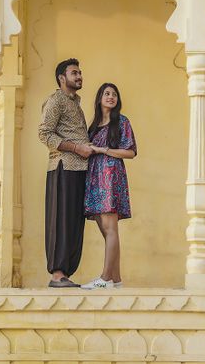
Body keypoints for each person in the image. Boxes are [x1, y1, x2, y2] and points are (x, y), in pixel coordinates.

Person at [38, 58, 93, 288]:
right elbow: (44, 134)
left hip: (79, 169)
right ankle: (57, 274)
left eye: (80, 72)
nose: (79, 76)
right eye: (74, 73)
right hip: (63, 167)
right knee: (61, 220)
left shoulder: (75, 103)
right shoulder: (56, 100)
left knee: (73, 222)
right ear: (62, 78)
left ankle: (65, 274)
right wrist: (76, 148)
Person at [81, 82, 137, 289]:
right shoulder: (94, 125)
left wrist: (103, 150)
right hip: (95, 178)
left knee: (111, 228)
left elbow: (130, 151)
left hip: (111, 176)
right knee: (106, 230)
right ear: (99, 98)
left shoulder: (122, 122)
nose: (111, 97)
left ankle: (105, 279)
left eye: (114, 94)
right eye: (107, 93)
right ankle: (117, 279)